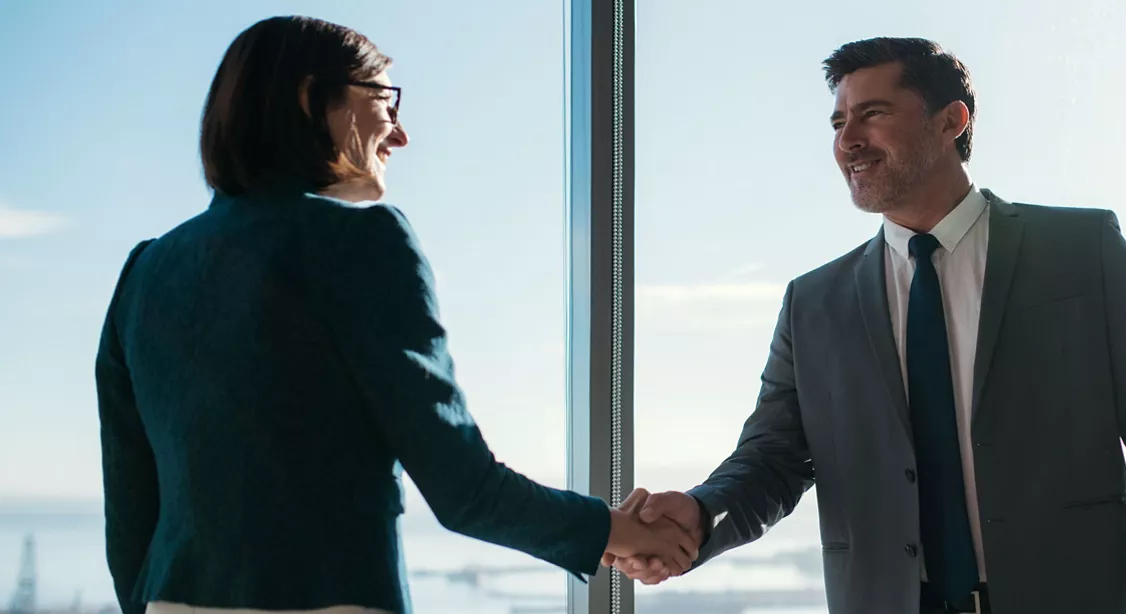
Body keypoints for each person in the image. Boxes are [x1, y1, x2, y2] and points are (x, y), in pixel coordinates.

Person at [94, 16, 695, 614]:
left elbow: (129, 522)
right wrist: (622, 533)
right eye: (385, 99)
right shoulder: (361, 242)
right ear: (310, 97)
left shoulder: (144, 273)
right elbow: (464, 490)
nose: (400, 135)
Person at [607, 37, 1126, 613]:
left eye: (872, 114)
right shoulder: (813, 303)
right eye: (838, 123)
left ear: (952, 121)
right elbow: (772, 459)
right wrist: (700, 511)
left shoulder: (1083, 250)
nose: (849, 141)